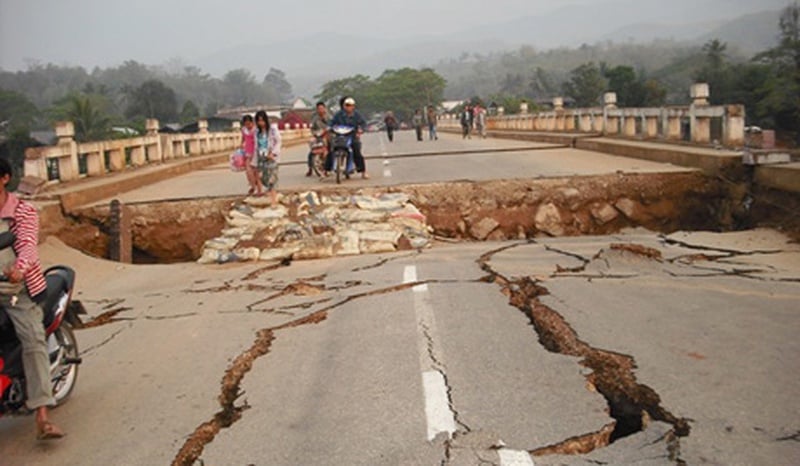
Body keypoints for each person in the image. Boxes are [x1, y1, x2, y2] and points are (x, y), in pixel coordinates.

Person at [0, 157, 64, 440]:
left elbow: (27, 247)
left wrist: (18, 270)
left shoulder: (22, 212)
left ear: (4, 178)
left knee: (33, 339)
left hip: (17, 290)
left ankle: (41, 415)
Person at [330, 96, 369, 179]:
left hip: (352, 136)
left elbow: (363, 124)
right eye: (346, 105)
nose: (348, 107)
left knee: (356, 150)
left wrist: (361, 130)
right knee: (331, 150)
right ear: (344, 106)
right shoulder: (338, 115)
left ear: (353, 106)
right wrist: (330, 128)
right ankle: (326, 170)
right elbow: (332, 123)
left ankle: (363, 171)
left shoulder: (357, 115)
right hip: (340, 136)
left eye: (350, 105)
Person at [255, 110, 282, 208]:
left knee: (272, 179)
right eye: (258, 121)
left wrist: (273, 153)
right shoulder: (257, 132)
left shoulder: (273, 130)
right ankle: (270, 192)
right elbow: (256, 145)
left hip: (271, 156)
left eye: (262, 121)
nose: (260, 123)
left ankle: (273, 200)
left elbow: (278, 141)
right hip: (261, 157)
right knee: (263, 177)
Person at [307, 101, 330, 177]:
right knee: (312, 150)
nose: (320, 110)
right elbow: (312, 127)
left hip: (328, 135)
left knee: (331, 148)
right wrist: (314, 133)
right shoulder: (315, 118)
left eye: (322, 108)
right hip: (318, 135)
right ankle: (310, 168)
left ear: (324, 108)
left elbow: (332, 124)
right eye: (319, 108)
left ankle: (329, 166)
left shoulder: (329, 116)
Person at [240, 114, 260, 196]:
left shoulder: (256, 130)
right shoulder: (244, 130)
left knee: (256, 171)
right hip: (247, 151)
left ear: (252, 123)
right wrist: (241, 144)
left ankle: (258, 188)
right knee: (248, 171)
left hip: (255, 151)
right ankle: (252, 185)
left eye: (249, 124)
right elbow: (243, 138)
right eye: (246, 124)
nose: (248, 126)